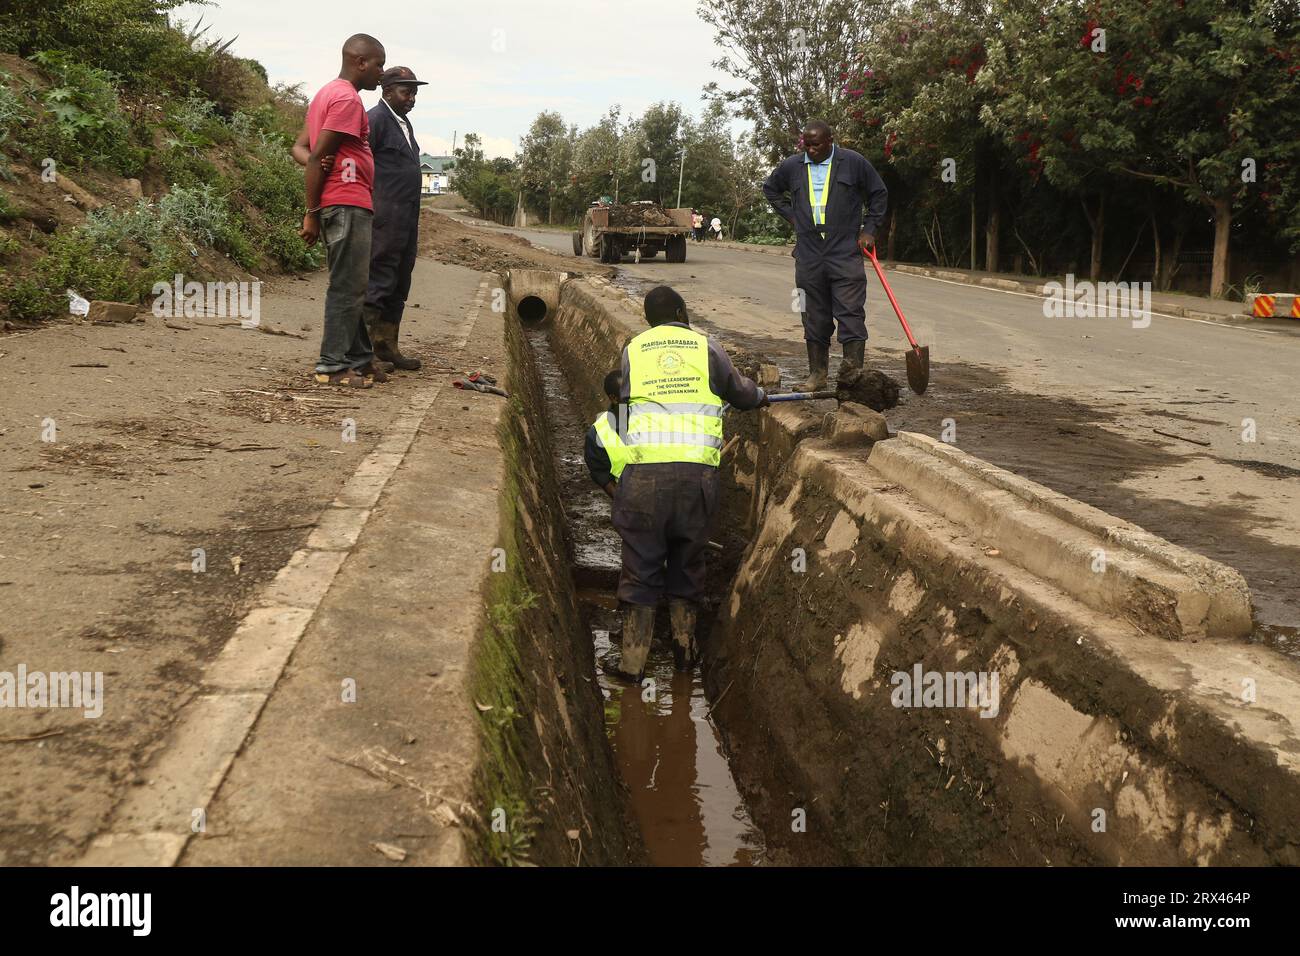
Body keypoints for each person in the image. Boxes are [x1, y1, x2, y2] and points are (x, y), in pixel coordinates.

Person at [602, 286, 768, 682]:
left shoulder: (634, 349)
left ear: (649, 318)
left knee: (640, 566)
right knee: (688, 565)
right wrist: (760, 395)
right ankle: (684, 657)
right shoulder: (706, 347)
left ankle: (631, 665)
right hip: (697, 479)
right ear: (681, 311)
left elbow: (624, 408)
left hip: (644, 479)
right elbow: (741, 394)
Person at [761, 120, 888, 390]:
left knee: (851, 313)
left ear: (831, 140)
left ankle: (853, 380)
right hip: (808, 250)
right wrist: (792, 216)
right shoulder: (792, 166)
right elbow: (770, 188)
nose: (810, 150)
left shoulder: (853, 162)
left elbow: (879, 193)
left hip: (844, 249)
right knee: (812, 313)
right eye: (806, 145)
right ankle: (817, 375)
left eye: (816, 144)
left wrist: (869, 230)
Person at [298, 34, 388, 388]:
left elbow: (302, 150)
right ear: (360, 62)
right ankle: (331, 366)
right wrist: (311, 211)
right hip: (346, 202)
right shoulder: (348, 100)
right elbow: (315, 158)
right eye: (379, 64)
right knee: (347, 288)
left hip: (345, 200)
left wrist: (324, 167)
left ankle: (360, 360)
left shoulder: (325, 94)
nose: (381, 73)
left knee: (354, 285)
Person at [362, 66, 427, 372]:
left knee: (400, 281)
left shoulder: (404, 123)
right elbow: (360, 162)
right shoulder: (375, 120)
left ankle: (387, 347)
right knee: (378, 281)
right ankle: (365, 352)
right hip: (384, 217)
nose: (412, 98)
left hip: (406, 217)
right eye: (406, 91)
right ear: (387, 92)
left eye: (414, 92)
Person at [583, 369, 631, 497]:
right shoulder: (598, 434)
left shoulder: (651, 418)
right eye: (628, 395)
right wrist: (625, 505)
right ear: (614, 398)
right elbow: (602, 475)